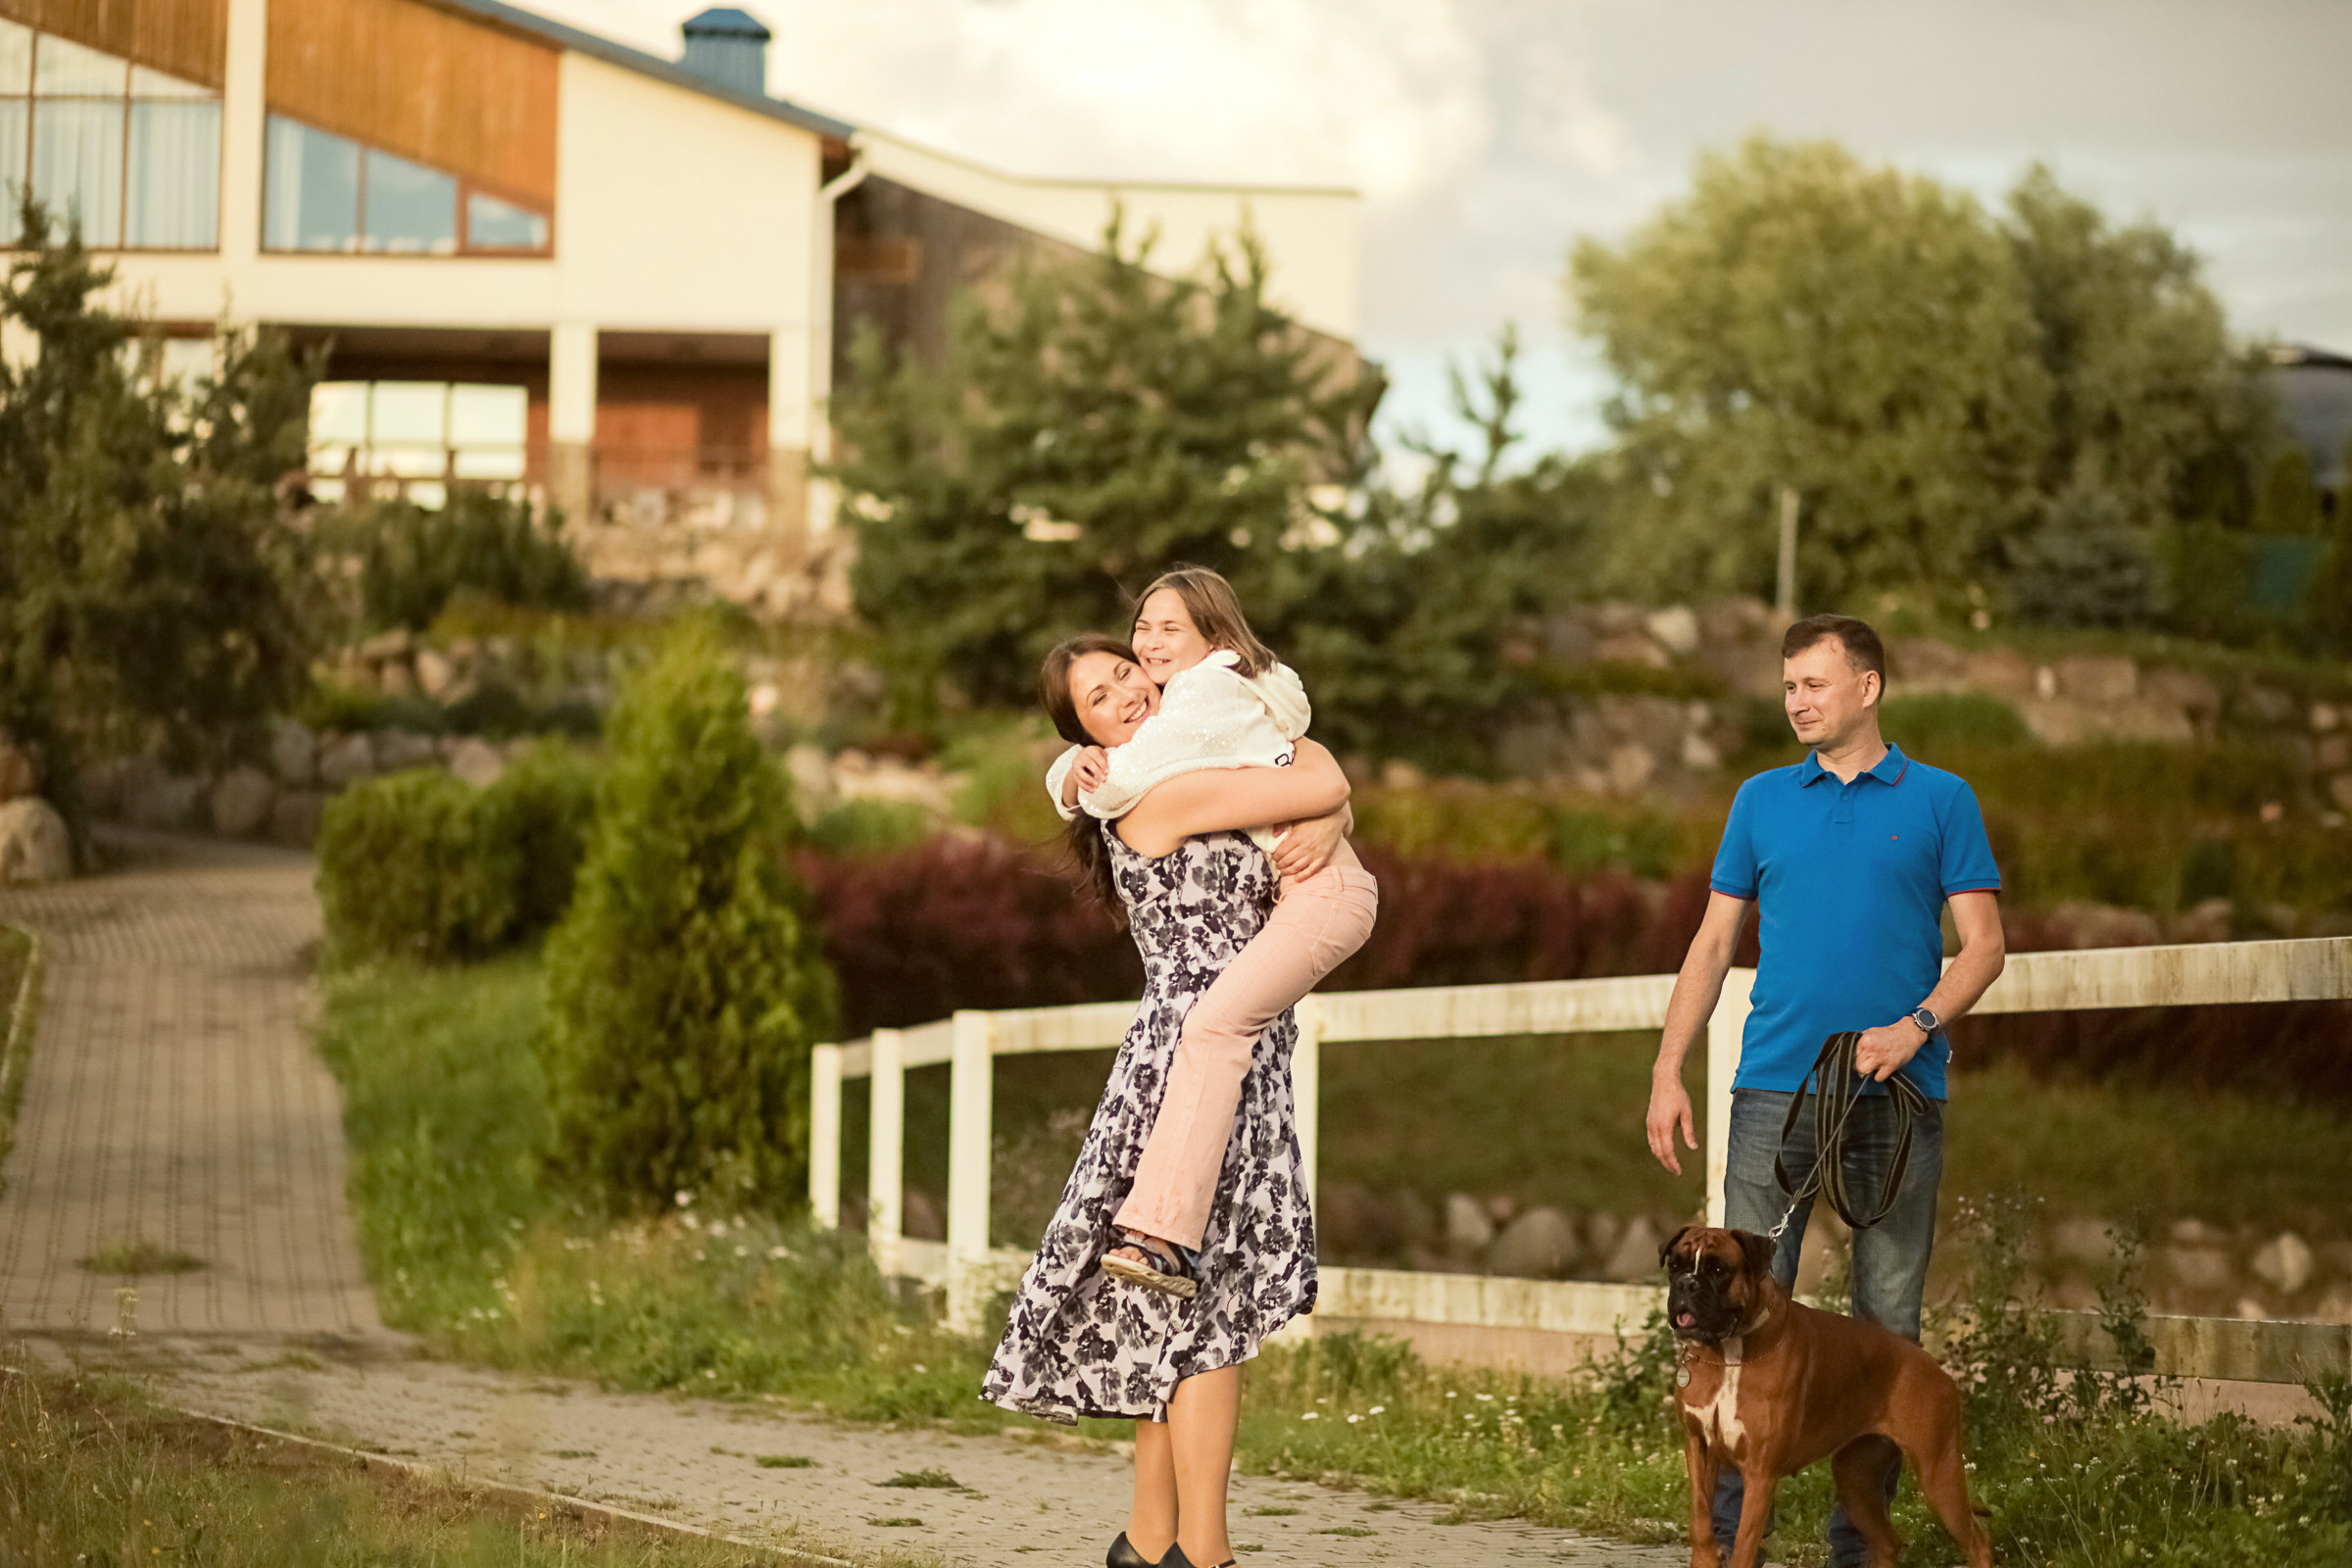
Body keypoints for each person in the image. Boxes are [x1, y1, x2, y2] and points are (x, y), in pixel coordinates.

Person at [983, 633, 1354, 1568]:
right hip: (1188, 1059)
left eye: (1128, 674)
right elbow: (1312, 776)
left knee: (1180, 1303)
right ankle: (1208, 1554)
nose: (1126, 696)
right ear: (1088, 734)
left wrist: (1326, 814)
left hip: (1242, 1050)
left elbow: (1293, 767)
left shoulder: (1186, 761)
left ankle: (1151, 1541)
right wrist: (1335, 812)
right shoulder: (1158, 798)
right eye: (1099, 701)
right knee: (1213, 1303)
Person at [1642, 613, 2006, 1568]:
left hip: (1900, 1094)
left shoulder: (1940, 799)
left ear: (1868, 687)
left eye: (1814, 682)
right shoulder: (1762, 799)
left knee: (1889, 1317)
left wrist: (1916, 1025)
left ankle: (1860, 1543)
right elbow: (1714, 944)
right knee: (1735, 1308)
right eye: (1789, 684)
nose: (1796, 699)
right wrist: (1667, 1066)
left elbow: (1985, 945)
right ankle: (1719, 1545)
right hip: (1773, 1089)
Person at [1043, 568, 1379, 1298]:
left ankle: (1160, 1238)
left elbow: (1323, 777)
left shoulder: (1204, 709)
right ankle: (1161, 1237)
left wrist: (1334, 816)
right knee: (1216, 1029)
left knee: (1214, 1027)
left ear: (1214, 643)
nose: (1148, 653)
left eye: (1165, 635)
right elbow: (1309, 767)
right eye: (1144, 630)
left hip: (1323, 894)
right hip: (1305, 896)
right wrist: (1072, 768)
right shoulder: (1181, 739)